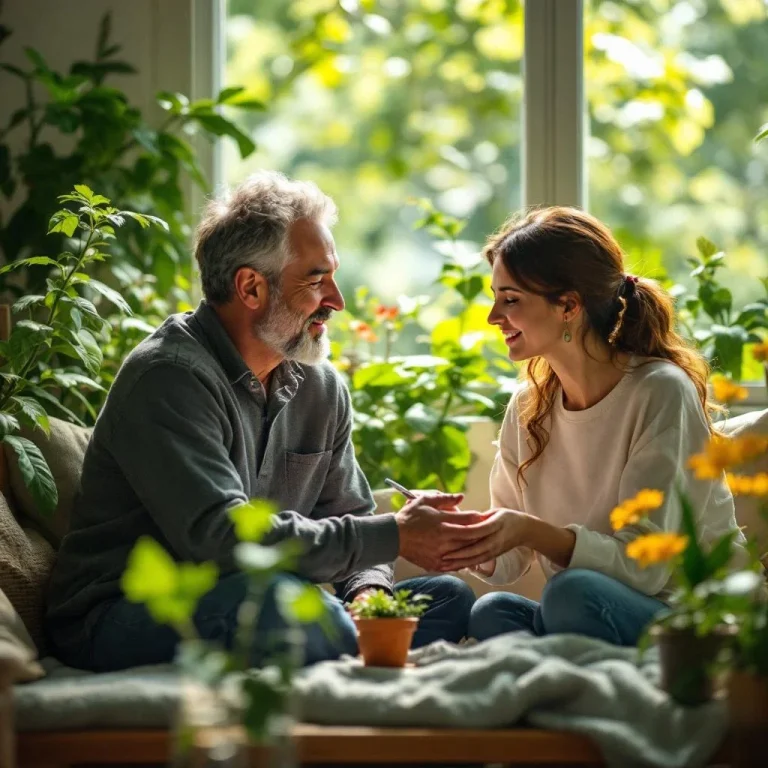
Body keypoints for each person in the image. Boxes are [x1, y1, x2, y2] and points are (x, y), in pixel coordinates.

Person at [45, 171, 484, 672]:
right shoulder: (168, 377)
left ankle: (340, 641)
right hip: (124, 615)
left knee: (446, 599)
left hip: (260, 597)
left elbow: (352, 512)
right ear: (251, 287)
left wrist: (369, 592)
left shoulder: (320, 386)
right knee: (289, 611)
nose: (338, 300)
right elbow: (220, 539)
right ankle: (338, 644)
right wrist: (395, 534)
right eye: (317, 280)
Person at [437, 207, 745, 647]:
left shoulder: (659, 392)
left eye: (510, 299)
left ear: (568, 305)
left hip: (689, 618)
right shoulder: (530, 406)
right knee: (491, 613)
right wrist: (469, 537)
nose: (492, 316)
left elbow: (647, 568)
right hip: (592, 610)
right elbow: (511, 561)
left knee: (569, 594)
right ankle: (573, 668)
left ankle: (560, 668)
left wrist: (527, 528)